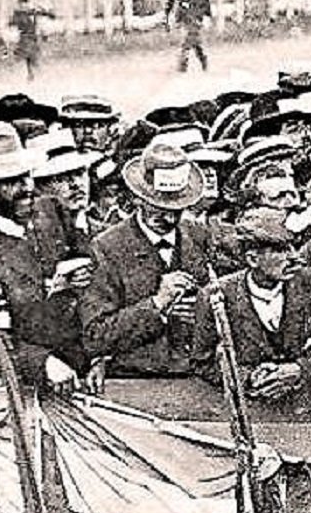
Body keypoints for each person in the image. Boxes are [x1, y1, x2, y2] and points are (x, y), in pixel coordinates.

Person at [191, 207, 311, 399]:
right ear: (252, 259)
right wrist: (248, 377)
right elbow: (202, 362)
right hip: (250, 402)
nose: (295, 257)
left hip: (303, 400)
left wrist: (299, 370)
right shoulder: (217, 296)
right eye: (281, 250)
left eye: (293, 246)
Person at [80, 143, 214, 378]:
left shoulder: (200, 236)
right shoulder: (107, 247)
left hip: (199, 380)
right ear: (137, 198)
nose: (170, 217)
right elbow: (95, 337)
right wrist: (156, 305)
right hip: (138, 383)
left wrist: (204, 314)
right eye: (159, 207)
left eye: (179, 208)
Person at [0, 121, 89, 387]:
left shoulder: (51, 211)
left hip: (79, 367)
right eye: (12, 180)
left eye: (27, 175)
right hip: (18, 384)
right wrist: (41, 363)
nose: (27, 186)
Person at [165, 0, 212, 74]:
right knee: (192, 37)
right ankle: (201, 57)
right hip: (183, 11)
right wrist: (168, 11)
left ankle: (184, 60)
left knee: (191, 34)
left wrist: (207, 13)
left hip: (195, 10)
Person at [10, 0, 54, 83]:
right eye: (22, 3)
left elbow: (44, 15)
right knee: (28, 58)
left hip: (31, 37)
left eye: (24, 3)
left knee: (32, 58)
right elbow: (13, 23)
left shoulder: (30, 12)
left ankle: (35, 76)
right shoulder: (19, 13)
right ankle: (32, 75)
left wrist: (46, 13)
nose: (23, 5)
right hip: (25, 37)